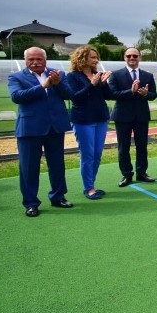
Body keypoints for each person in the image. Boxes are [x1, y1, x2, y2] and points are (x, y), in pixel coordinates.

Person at [8, 47, 75, 217]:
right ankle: (31, 203)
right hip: (30, 129)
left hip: (55, 127)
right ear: (25, 60)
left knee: (57, 165)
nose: (35, 62)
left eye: (39, 59)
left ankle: (58, 197)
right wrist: (42, 86)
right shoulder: (16, 77)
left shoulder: (57, 73)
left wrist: (57, 83)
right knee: (29, 168)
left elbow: (68, 94)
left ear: (46, 59)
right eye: (31, 59)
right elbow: (17, 96)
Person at [66, 45, 112, 199]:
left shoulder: (97, 75)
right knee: (87, 155)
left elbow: (107, 95)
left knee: (97, 154)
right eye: (92, 57)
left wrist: (104, 84)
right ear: (82, 58)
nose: (96, 60)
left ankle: (91, 184)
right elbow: (75, 97)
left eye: (96, 57)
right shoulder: (72, 76)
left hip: (101, 119)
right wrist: (91, 84)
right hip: (83, 120)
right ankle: (89, 188)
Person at [109, 47, 157, 187]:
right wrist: (131, 91)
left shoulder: (147, 75)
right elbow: (113, 94)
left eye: (135, 56)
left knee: (142, 146)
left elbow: (153, 95)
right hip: (122, 116)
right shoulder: (116, 74)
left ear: (139, 58)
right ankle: (126, 174)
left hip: (141, 116)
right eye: (129, 56)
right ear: (124, 58)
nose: (132, 58)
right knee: (123, 147)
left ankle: (142, 172)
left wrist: (145, 94)